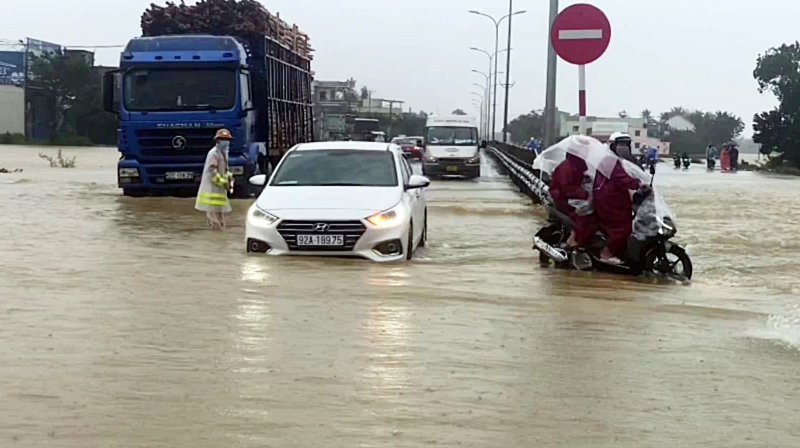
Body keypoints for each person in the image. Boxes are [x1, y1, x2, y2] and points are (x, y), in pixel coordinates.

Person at [594, 133, 648, 265]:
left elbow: (635, 172)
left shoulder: (621, 160)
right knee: (623, 227)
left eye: (626, 145)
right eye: (621, 145)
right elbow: (622, 178)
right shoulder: (609, 160)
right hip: (609, 200)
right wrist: (638, 185)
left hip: (617, 198)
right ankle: (606, 252)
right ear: (612, 145)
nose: (624, 148)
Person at [549, 153, 597, 249]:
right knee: (587, 214)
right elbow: (568, 188)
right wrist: (586, 194)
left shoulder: (574, 164)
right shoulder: (568, 167)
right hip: (563, 199)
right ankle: (574, 238)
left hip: (567, 195)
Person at [195, 129, 234, 230]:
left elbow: (225, 169)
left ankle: (220, 237)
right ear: (217, 141)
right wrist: (223, 182)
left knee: (220, 219)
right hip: (211, 191)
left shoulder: (224, 153)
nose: (226, 142)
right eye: (223, 139)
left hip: (219, 192)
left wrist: (230, 178)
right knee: (214, 222)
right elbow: (212, 172)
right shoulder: (214, 153)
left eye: (227, 140)